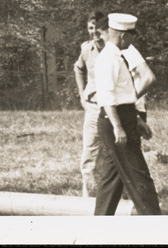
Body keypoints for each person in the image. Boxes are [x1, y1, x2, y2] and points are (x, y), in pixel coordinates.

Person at [92, 13, 160, 216]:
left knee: (111, 179)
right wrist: (118, 127)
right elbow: (107, 96)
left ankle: (99, 224)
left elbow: (123, 95)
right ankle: (155, 223)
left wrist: (136, 119)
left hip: (124, 116)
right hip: (115, 120)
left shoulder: (115, 56)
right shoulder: (108, 59)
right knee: (138, 175)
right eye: (131, 36)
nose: (132, 42)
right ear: (122, 36)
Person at [73, 10, 105, 197]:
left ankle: (120, 194)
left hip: (114, 109)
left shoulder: (115, 49)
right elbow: (78, 69)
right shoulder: (86, 49)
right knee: (89, 152)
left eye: (97, 28)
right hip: (93, 107)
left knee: (115, 153)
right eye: (90, 28)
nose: (94, 32)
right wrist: (82, 94)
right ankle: (89, 196)